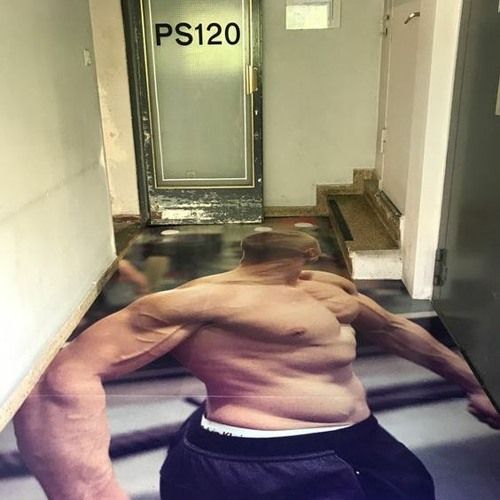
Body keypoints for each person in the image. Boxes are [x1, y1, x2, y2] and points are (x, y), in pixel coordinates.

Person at [14, 231, 500, 500]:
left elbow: (393, 329)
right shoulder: (204, 300)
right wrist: (95, 493)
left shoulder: (328, 288)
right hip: (258, 462)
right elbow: (62, 374)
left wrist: (476, 384)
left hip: (358, 440)